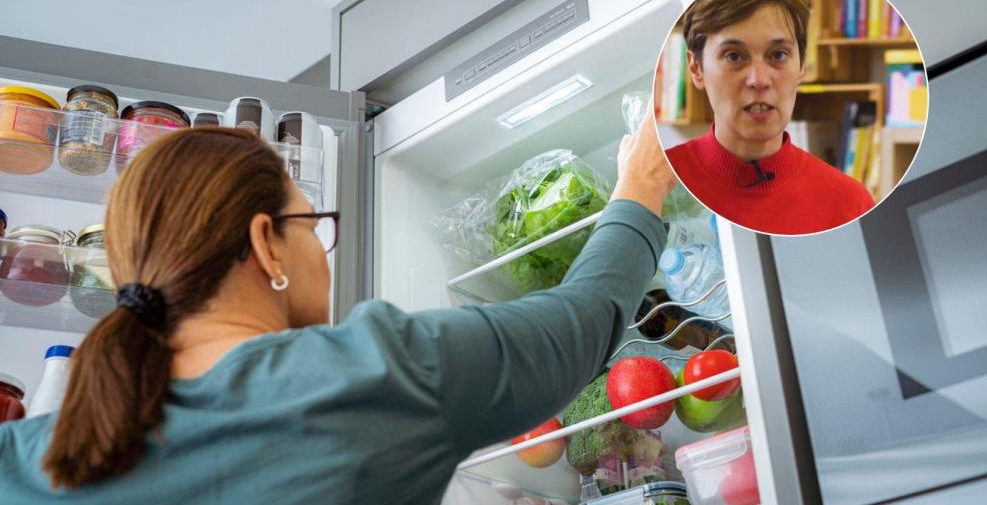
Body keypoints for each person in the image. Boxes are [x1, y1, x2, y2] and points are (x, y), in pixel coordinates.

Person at [0, 115, 678, 503]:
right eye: (312, 225)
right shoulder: (373, 372)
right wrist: (643, 176)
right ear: (267, 244)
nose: (323, 252)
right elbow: (583, 320)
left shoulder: (19, 458)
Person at [664, 0, 876, 235]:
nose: (759, 80)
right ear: (696, 68)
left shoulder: (849, 203)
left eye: (778, 55)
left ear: (801, 66)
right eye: (734, 56)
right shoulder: (661, 182)